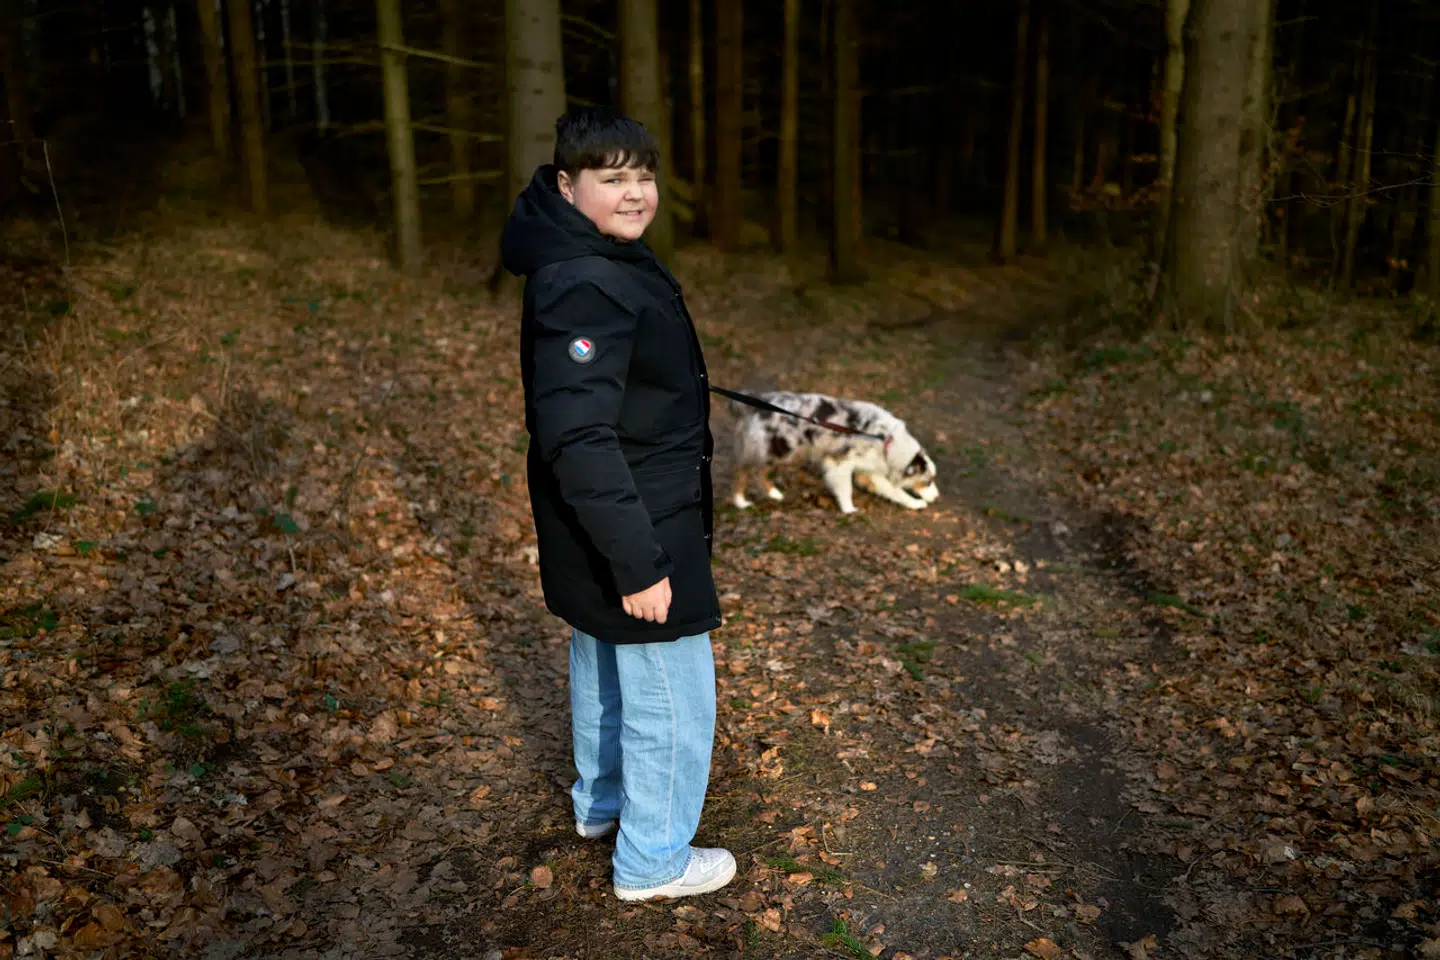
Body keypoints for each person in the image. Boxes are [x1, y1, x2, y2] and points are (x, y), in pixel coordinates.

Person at [499, 107, 733, 902]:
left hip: (603, 513)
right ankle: (653, 861)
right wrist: (639, 562)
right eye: (613, 178)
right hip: (635, 517)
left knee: (602, 659)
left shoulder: (589, 254)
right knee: (671, 697)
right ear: (569, 185)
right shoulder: (584, 281)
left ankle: (602, 808)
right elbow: (581, 438)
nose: (635, 194)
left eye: (643, 175)